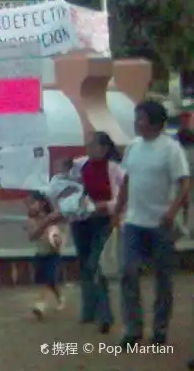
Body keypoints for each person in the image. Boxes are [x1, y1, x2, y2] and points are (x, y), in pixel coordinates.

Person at [114, 100, 190, 348]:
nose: (136, 123)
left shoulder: (171, 149)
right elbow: (126, 181)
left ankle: (160, 330)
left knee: (163, 278)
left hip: (161, 223)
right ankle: (133, 329)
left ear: (156, 123)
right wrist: (118, 209)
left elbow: (184, 183)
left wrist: (172, 211)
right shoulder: (133, 147)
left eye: (141, 118)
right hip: (134, 221)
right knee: (127, 272)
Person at [69, 132, 124, 334]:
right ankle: (88, 309)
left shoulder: (115, 169)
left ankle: (105, 314)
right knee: (85, 264)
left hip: (103, 221)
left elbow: (123, 197)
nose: (89, 149)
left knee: (96, 264)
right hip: (81, 221)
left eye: (93, 145)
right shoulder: (79, 165)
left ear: (104, 148)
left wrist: (105, 205)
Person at [26, 192, 64, 319]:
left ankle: (41, 304)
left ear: (43, 203)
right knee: (50, 282)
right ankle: (60, 298)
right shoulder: (32, 220)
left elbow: (57, 237)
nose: (31, 205)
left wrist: (56, 240)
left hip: (52, 255)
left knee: (47, 280)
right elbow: (32, 236)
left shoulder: (51, 218)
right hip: (40, 254)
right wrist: (41, 226)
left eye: (34, 202)